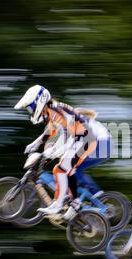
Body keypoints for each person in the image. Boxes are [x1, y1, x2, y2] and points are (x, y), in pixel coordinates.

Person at [14, 85, 111, 219]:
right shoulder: (52, 112)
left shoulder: (55, 110)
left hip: (91, 140)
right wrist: (35, 144)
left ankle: (63, 203)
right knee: (67, 169)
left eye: (31, 107)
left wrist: (54, 152)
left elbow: (68, 135)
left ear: (40, 101)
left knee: (61, 169)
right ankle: (75, 203)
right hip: (88, 140)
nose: (31, 111)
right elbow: (49, 133)